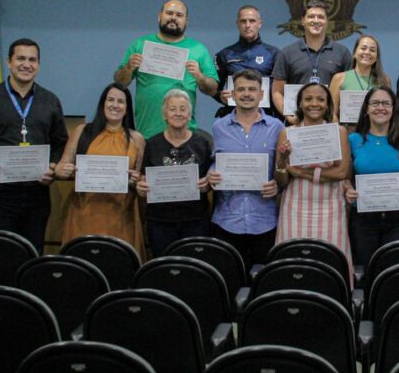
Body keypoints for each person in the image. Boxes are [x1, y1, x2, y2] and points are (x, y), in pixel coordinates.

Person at [0, 38, 68, 253]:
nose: (26, 64)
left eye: (32, 60)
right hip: (0, 193)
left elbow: (60, 144)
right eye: (20, 58)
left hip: (37, 193)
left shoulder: (51, 101)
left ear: (38, 65)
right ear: (8, 62)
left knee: (32, 253)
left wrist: (53, 167)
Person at [56, 83, 146, 259]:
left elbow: (141, 178)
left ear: (127, 107)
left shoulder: (137, 139)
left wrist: (137, 179)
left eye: (121, 101)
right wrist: (63, 170)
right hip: (85, 212)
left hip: (121, 216)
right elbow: (61, 167)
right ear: (102, 103)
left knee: (118, 264)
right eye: (110, 100)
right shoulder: (82, 131)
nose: (115, 105)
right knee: (83, 264)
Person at [273, 83, 353, 282]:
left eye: (320, 99)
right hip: (294, 208)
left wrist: (300, 172)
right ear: (300, 103)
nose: (314, 104)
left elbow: (341, 172)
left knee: (331, 264)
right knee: (292, 264)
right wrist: (283, 162)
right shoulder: (287, 133)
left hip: (331, 209)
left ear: (328, 105)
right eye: (308, 99)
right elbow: (281, 180)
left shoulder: (339, 132)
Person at [207, 69, 283, 268]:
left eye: (252, 89)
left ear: (261, 94)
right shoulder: (218, 127)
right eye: (241, 89)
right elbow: (213, 161)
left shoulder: (277, 127)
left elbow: (283, 167)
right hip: (227, 219)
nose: (246, 94)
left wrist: (278, 184)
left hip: (265, 219)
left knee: (263, 283)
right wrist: (211, 175)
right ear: (232, 94)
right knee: (229, 280)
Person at [114, 0, 218, 138]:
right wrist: (129, 67)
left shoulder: (198, 50)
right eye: (169, 13)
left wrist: (199, 76)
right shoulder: (140, 44)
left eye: (179, 15)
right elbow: (120, 83)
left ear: (186, 21)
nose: (173, 18)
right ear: (159, 16)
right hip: (146, 132)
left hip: (184, 134)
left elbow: (212, 90)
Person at [344, 86, 399, 268]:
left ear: (394, 109)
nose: (381, 107)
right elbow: (345, 178)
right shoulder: (352, 140)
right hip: (362, 219)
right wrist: (348, 189)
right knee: (365, 269)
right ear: (366, 108)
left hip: (398, 219)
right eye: (375, 103)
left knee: (394, 270)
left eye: (386, 103)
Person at [135, 89, 213, 257]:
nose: (178, 113)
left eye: (183, 109)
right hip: (160, 221)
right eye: (172, 109)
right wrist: (141, 187)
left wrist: (207, 184)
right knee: (164, 268)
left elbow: (211, 178)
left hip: (195, 220)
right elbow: (143, 178)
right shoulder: (152, 144)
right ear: (164, 114)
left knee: (195, 268)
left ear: (190, 115)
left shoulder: (203, 143)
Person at [271, 0, 352, 124]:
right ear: (303, 21)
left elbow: (348, 91)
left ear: (326, 22)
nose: (316, 20)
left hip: (329, 123)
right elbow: (277, 91)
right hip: (297, 123)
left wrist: (336, 116)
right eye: (311, 16)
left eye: (321, 17)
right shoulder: (287, 53)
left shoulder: (342, 53)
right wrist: (288, 115)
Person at [213, 5, 280, 118]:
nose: (247, 25)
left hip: (265, 118)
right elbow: (214, 88)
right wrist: (220, 97)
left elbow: (279, 89)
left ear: (260, 23)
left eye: (252, 21)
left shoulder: (274, 54)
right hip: (233, 118)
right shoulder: (224, 54)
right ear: (237, 24)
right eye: (243, 21)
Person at [329, 34, 390, 125]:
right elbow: (332, 113)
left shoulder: (384, 80)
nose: (367, 52)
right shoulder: (339, 78)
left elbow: (388, 111)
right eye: (363, 48)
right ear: (354, 53)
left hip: (375, 132)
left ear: (377, 57)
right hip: (348, 132)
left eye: (372, 50)